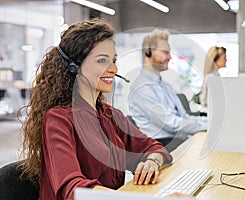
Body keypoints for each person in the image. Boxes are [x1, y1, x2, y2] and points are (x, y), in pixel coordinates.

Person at [19, 18, 175, 200]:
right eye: (102, 60)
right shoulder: (58, 119)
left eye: (114, 60)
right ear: (75, 67)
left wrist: (152, 161)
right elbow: (73, 190)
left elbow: (155, 148)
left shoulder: (110, 115)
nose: (113, 69)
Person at [128, 29, 207, 153]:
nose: (170, 57)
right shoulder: (141, 88)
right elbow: (171, 124)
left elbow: (184, 116)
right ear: (148, 52)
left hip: (176, 141)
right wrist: (207, 125)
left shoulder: (166, 86)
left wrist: (207, 122)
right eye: (165, 52)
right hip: (159, 146)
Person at [199, 46, 227, 113]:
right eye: (224, 58)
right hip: (208, 112)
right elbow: (211, 101)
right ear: (216, 59)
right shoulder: (212, 77)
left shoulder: (215, 76)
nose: (226, 60)